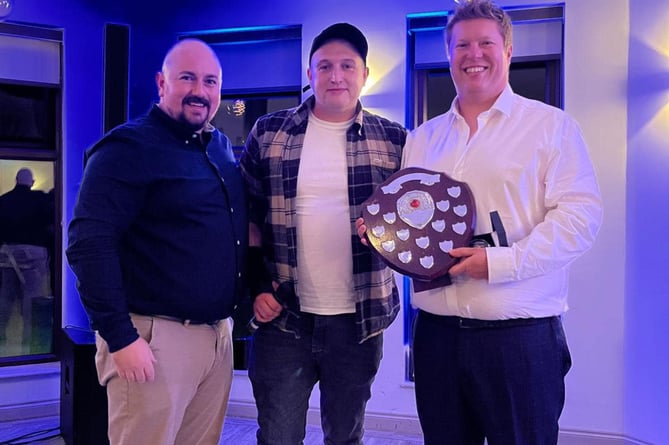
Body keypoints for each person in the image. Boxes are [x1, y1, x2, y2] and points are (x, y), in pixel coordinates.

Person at [357, 1, 603, 443]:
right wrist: (384, 234)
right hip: (436, 336)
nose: (474, 54)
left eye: (486, 42)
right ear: (448, 54)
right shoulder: (423, 138)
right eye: (462, 45)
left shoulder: (551, 127)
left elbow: (580, 218)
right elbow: (413, 219)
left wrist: (498, 263)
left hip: (520, 341)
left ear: (508, 50)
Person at [66, 38, 247, 445]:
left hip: (216, 338)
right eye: (187, 78)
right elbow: (88, 244)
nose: (200, 90)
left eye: (210, 81)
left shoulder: (216, 146)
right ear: (161, 83)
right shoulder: (127, 148)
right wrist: (120, 337)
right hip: (152, 340)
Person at [239, 23, 407, 445]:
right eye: (325, 66)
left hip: (359, 320)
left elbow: (411, 222)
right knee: (277, 436)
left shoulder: (394, 140)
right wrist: (256, 287)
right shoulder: (269, 132)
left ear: (364, 74)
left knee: (346, 436)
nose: (336, 76)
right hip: (283, 318)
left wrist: (389, 237)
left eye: (347, 66)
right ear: (310, 73)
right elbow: (245, 217)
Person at [0, 168, 52, 348]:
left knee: (5, 298)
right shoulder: (40, 200)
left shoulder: (3, 200)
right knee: (32, 300)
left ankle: (1, 336)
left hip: (7, 254)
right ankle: (30, 342)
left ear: (16, 180)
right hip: (33, 255)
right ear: (32, 182)